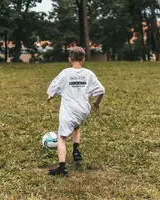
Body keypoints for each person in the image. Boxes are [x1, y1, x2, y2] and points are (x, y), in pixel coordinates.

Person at [47, 47, 105, 176]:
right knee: (76, 126)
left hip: (69, 110)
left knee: (61, 137)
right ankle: (76, 151)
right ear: (83, 60)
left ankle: (62, 168)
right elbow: (101, 90)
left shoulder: (65, 73)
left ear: (69, 59)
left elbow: (54, 86)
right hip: (83, 110)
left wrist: (50, 95)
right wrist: (96, 103)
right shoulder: (89, 74)